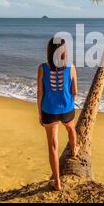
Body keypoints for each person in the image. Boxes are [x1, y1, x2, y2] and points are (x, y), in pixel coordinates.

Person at [37, 37, 79, 191]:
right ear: (63, 52)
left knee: (53, 146)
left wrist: (40, 113)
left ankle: (57, 183)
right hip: (66, 109)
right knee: (70, 129)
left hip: (49, 111)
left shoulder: (42, 68)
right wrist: (69, 101)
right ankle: (74, 149)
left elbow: (40, 93)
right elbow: (75, 92)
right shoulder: (71, 67)